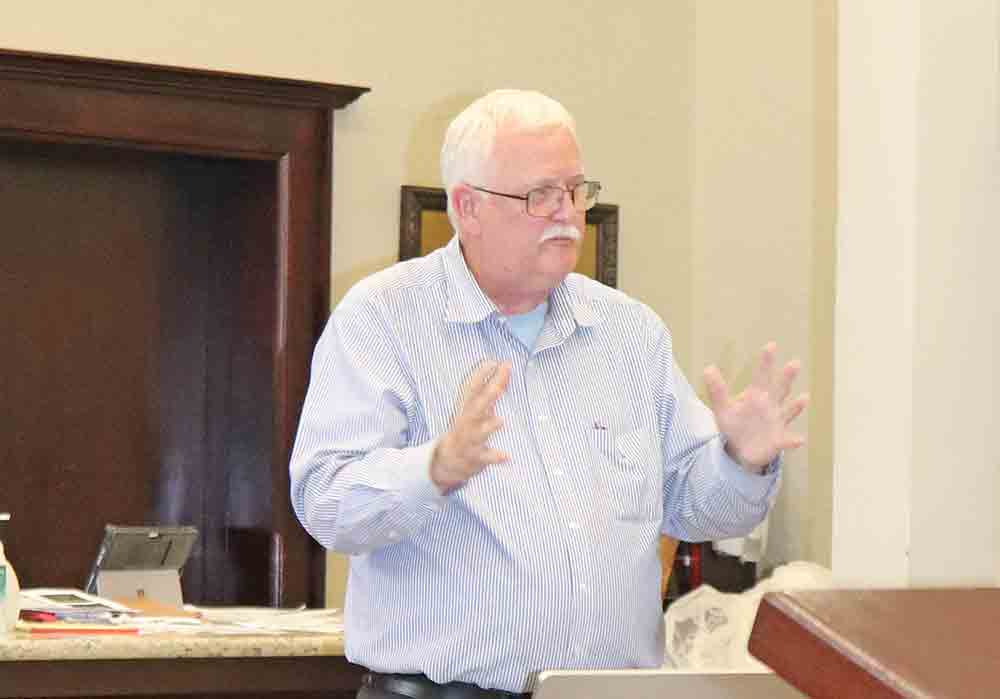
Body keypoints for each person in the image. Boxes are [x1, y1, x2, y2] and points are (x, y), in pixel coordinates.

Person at [289, 89, 808, 699]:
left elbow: (698, 508)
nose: (567, 213)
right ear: (468, 207)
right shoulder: (383, 320)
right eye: (540, 194)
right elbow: (325, 504)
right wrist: (433, 469)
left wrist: (743, 463)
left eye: (576, 190)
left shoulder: (629, 332)